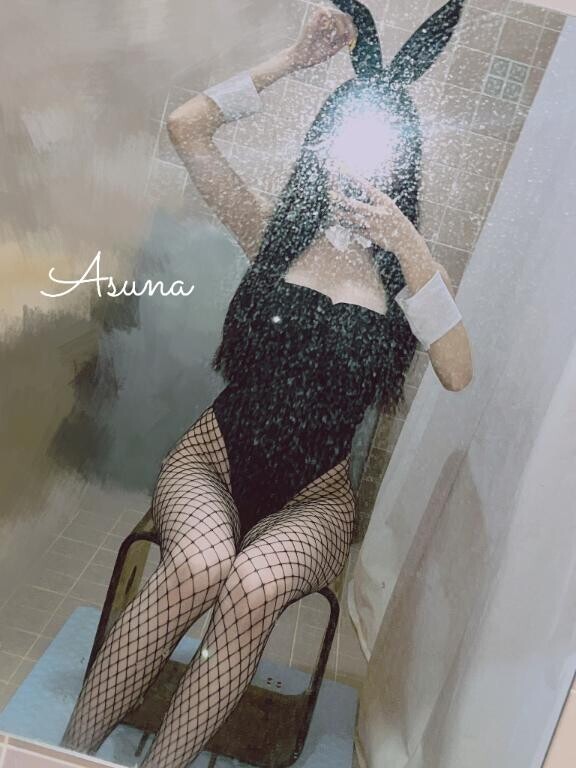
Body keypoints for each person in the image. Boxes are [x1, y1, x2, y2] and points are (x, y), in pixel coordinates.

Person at [61, 1, 472, 766]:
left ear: (404, 167)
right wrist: (291, 60)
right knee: (198, 565)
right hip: (211, 461)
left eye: (383, 157)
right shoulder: (271, 232)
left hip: (315, 498)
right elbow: (186, 127)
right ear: (323, 150)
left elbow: (456, 370)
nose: (361, 169)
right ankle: (66, 753)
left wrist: (407, 243)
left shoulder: (412, 275)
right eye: (348, 147)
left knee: (253, 584)